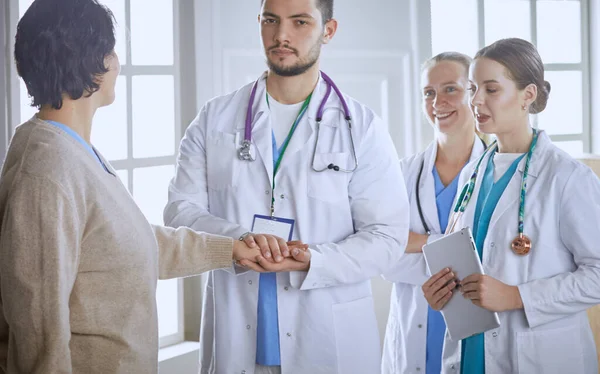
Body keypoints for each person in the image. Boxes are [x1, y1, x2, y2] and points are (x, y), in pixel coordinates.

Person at [0, 1, 277, 372]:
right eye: (110, 50)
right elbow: (38, 334)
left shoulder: (72, 151)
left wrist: (231, 250)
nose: (116, 62)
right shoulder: (48, 171)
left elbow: (125, 245)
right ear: (89, 60)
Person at [163, 0, 409, 372]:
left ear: (328, 30)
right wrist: (239, 241)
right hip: (238, 339)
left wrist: (317, 259)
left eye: (300, 22)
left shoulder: (362, 128)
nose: (282, 35)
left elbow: (388, 236)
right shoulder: (214, 120)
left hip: (326, 340)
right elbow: (180, 211)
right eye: (271, 20)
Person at [422, 38, 600, 373]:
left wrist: (518, 297)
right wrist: (441, 291)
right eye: (473, 88)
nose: (476, 100)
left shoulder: (566, 177)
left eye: (491, 89)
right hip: (470, 350)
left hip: (538, 356)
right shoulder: (472, 174)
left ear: (527, 95)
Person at [381, 52, 486, 374]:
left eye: (450, 89)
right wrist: (454, 250)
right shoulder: (400, 174)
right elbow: (384, 255)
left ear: (474, 93)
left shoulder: (497, 172)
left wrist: (415, 242)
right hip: (416, 323)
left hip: (478, 325)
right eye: (429, 92)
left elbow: (496, 258)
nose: (438, 101)